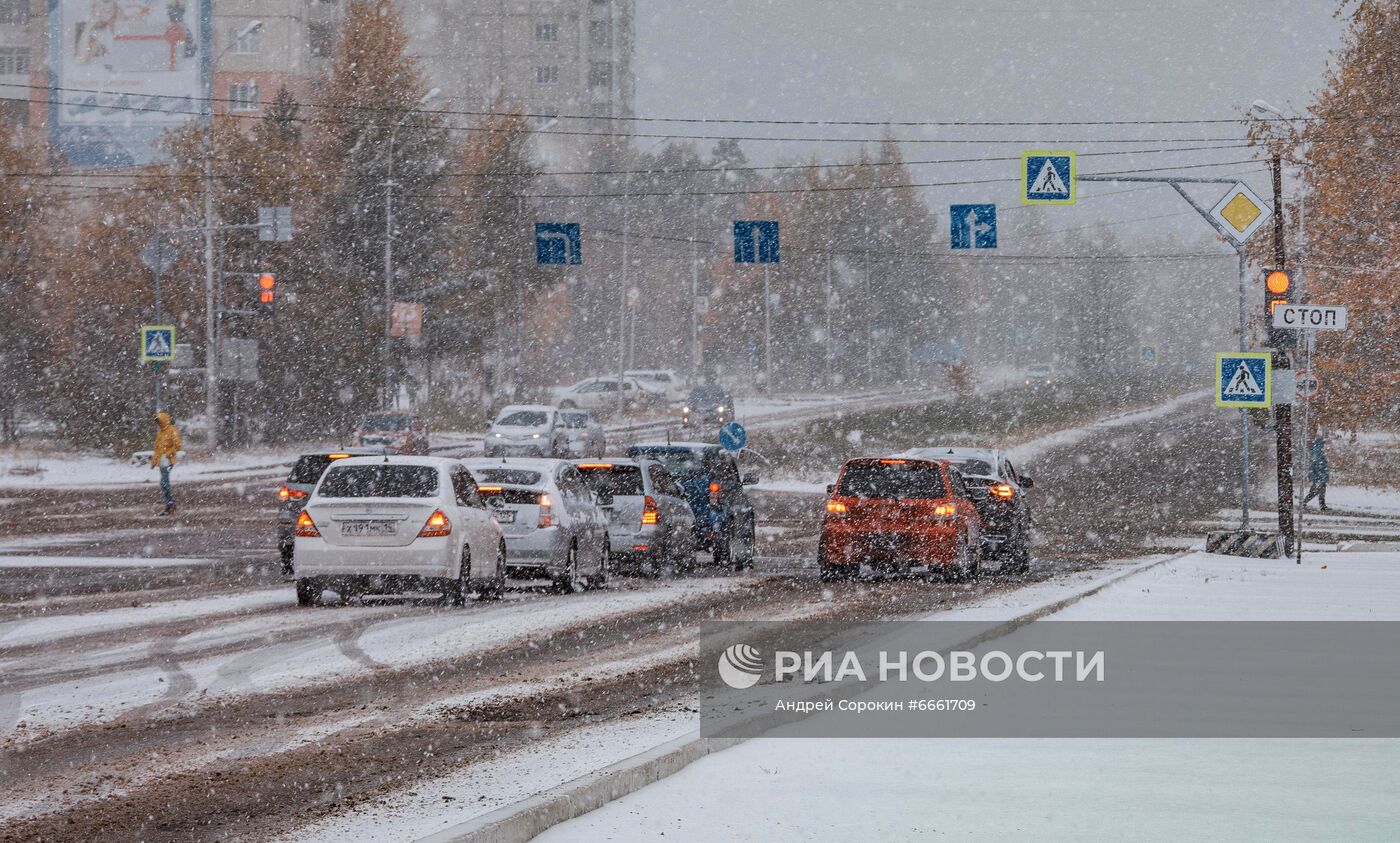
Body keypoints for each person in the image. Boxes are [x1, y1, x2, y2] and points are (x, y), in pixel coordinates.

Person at [150, 411, 181, 515]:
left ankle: (170, 504)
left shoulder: (172, 430)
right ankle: (170, 504)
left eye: (159, 421)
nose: (158, 423)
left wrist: (166, 455)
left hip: (169, 461)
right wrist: (154, 461)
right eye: (157, 422)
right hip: (162, 462)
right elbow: (157, 449)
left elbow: (177, 446)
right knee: (163, 483)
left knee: (164, 482)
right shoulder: (160, 433)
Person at [1302, 429, 1329, 512]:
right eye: (1324, 444)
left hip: (1320, 476)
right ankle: (1304, 503)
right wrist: (1320, 476)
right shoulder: (1317, 452)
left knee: (1321, 490)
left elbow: (1321, 464)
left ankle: (1322, 505)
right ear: (1321, 444)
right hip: (1319, 476)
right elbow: (1317, 465)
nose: (1325, 446)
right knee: (1315, 491)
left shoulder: (1319, 451)